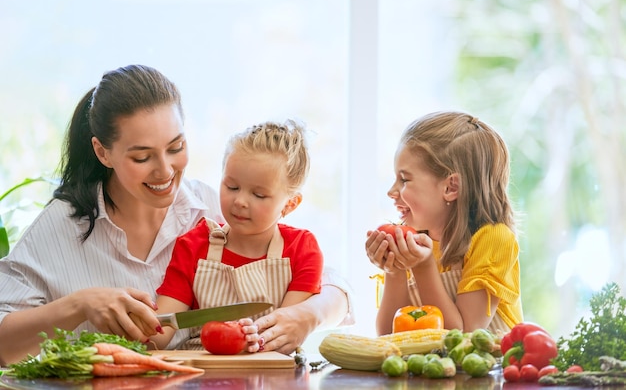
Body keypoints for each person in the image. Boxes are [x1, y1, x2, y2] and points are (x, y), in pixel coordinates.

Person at [0, 64, 352, 366]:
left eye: (176, 148)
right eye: (142, 157)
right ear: (102, 152)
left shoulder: (214, 208)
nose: (165, 171)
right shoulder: (63, 225)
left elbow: (335, 285)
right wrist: (78, 304)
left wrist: (307, 315)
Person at [148, 120, 324, 350]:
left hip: (270, 375)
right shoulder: (192, 245)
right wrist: (138, 328)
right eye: (231, 187)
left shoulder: (302, 249)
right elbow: (159, 333)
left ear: (290, 204)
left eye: (259, 195)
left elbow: (280, 335)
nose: (240, 201)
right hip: (201, 374)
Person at [365, 111, 522, 335]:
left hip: (487, 369)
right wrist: (394, 271)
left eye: (404, 179)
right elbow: (389, 336)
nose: (392, 191)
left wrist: (422, 266)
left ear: (451, 188)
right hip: (434, 369)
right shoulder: (415, 241)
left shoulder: (493, 239)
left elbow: (463, 336)